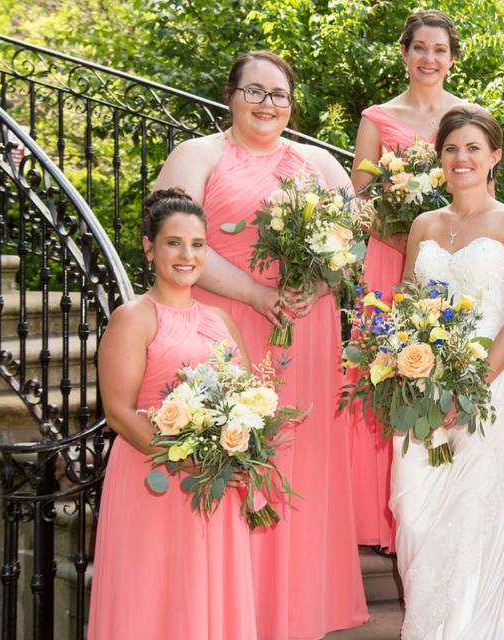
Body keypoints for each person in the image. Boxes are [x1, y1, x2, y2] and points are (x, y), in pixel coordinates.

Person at [153, 51, 367, 639]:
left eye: (279, 94)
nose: (267, 104)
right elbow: (177, 238)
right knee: (232, 445)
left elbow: (351, 246)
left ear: (292, 103)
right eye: (255, 91)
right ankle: (226, 605)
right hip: (225, 328)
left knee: (302, 456)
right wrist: (255, 292)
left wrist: (313, 283)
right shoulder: (198, 155)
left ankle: (295, 605)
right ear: (231, 95)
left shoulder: (320, 164)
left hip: (307, 326)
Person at [393, 105, 504, 639]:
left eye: (474, 148)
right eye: (452, 148)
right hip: (421, 393)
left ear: (495, 157)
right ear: (440, 157)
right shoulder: (424, 224)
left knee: (472, 525)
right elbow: (409, 310)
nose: (462, 158)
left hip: (487, 397)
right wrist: (411, 371)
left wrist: (470, 388)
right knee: (417, 518)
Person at [88, 189, 256, 638]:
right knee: (153, 597)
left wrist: (241, 453)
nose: (187, 255)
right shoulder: (133, 318)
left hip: (215, 485)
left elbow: (249, 396)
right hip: (154, 480)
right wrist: (188, 460)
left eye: (197, 244)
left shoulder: (222, 318)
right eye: (174, 243)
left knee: (208, 596)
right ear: (149, 247)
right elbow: (120, 413)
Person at [348, 9, 468, 552]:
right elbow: (361, 197)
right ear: (404, 53)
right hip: (388, 260)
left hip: (446, 262)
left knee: (441, 366)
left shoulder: (470, 116)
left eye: (439, 50)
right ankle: (377, 515)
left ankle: (435, 498)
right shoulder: (378, 117)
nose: (429, 58)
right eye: (420, 47)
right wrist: (402, 239)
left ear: (452, 58)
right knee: (383, 369)